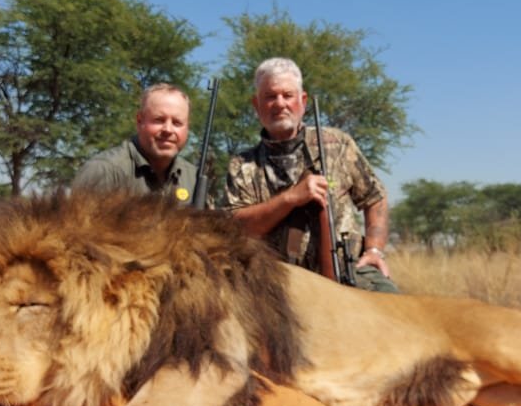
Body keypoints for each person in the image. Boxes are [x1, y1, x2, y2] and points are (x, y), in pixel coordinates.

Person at [225, 58, 398, 293]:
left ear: (302, 101)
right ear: (256, 105)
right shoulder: (242, 164)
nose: (279, 104)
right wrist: (290, 199)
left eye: (287, 95)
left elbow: (375, 197)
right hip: (276, 284)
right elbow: (236, 227)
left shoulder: (338, 144)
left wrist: (374, 250)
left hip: (348, 272)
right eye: (270, 97)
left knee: (395, 307)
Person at [72, 83, 204, 206]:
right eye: (159, 120)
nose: (168, 130)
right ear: (139, 121)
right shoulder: (104, 171)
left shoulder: (194, 178)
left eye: (177, 123)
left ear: (187, 128)